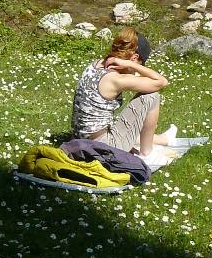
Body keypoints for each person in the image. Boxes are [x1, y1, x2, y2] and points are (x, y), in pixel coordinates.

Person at [71, 27, 177, 165]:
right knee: (152, 96)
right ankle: (147, 154)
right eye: (140, 64)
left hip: (79, 140)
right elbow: (162, 82)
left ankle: (163, 139)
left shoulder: (95, 65)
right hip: (101, 149)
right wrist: (128, 64)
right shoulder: (115, 79)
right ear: (134, 58)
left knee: (120, 122)